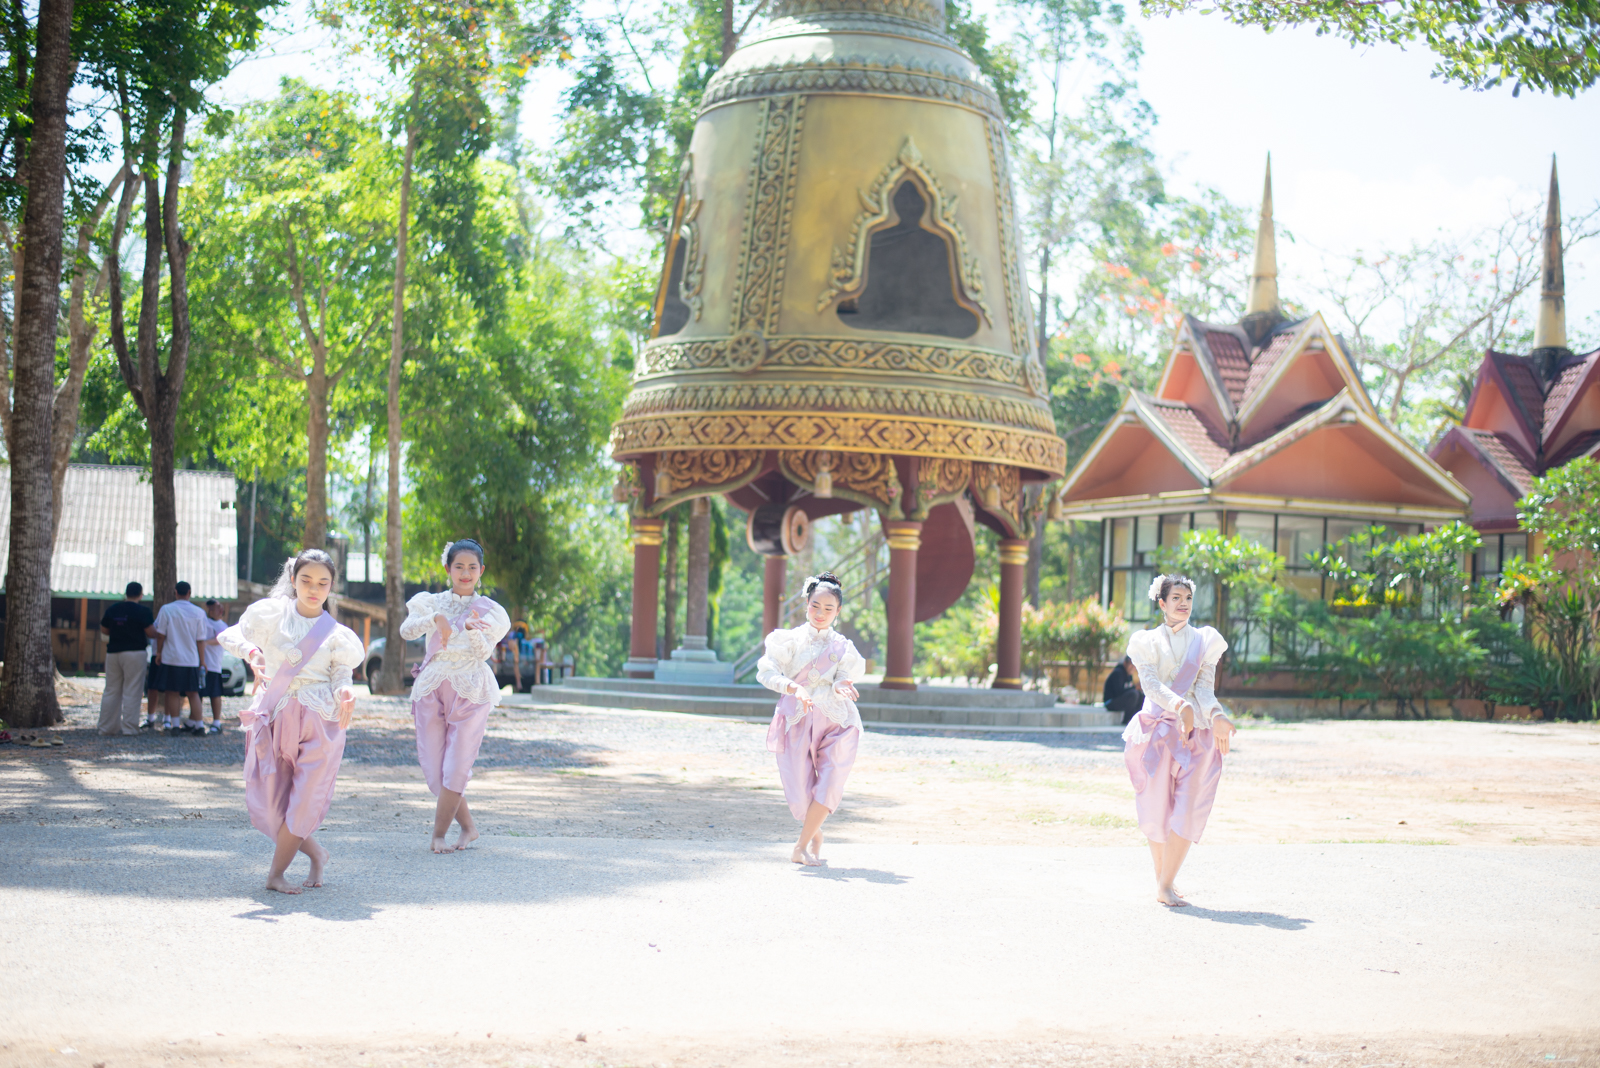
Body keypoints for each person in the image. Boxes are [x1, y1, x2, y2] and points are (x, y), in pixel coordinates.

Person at [219, 549, 365, 894]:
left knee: (304, 800)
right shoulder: (272, 615)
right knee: (273, 807)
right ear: (293, 579)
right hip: (275, 715)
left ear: (331, 586)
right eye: (306, 580)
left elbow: (341, 674)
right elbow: (229, 635)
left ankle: (276, 874)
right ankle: (317, 853)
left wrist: (345, 691)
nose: (314, 589)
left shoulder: (337, 634)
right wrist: (252, 653)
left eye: (323, 583)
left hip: (321, 721)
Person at [1123, 574, 1235, 907]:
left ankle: (1166, 883)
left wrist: (1216, 715)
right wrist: (1179, 705)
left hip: (1196, 735)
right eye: (1176, 598)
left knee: (1189, 806)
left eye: (1187, 598)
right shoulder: (1146, 642)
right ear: (1162, 603)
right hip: (1158, 733)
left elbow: (1204, 690)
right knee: (1156, 808)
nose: (1183, 603)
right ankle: (1164, 883)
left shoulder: (1205, 641)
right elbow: (1150, 685)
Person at [401, 539, 511, 854]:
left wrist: (473, 630)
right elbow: (406, 631)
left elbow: (484, 653)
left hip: (471, 690)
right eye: (459, 566)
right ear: (448, 568)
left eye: (472, 567)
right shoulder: (429, 602)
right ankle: (469, 827)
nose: (465, 573)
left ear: (481, 571)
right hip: (431, 688)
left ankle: (438, 835)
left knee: (456, 766)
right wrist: (434, 619)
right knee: (434, 771)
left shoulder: (492, 611)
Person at [756, 571, 867, 867]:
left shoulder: (844, 647)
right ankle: (815, 833)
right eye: (815, 606)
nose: (821, 613)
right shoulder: (788, 641)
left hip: (837, 720)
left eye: (829, 608)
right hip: (796, 718)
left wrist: (840, 684)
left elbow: (844, 675)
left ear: (838, 612)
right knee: (800, 792)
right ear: (807, 604)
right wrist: (793, 687)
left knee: (830, 783)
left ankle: (800, 847)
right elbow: (766, 672)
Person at [152, 581, 213, 735]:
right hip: (191, 659)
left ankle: (175, 725)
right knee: (193, 693)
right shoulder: (199, 612)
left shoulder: (167, 609)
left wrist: (159, 653)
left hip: (171, 657)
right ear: (189, 593)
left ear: (175, 592)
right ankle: (199, 725)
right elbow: (201, 640)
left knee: (172, 692)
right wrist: (202, 661)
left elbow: (161, 634)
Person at [97, 582, 156, 736]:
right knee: (133, 690)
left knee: (111, 690)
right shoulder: (143, 611)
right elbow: (150, 632)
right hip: (135, 653)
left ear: (126, 593)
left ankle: (107, 728)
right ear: (141, 595)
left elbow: (104, 629)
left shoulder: (113, 609)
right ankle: (129, 728)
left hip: (113, 652)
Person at [199, 600, 230, 733]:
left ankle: (216, 722)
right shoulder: (203, 622)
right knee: (198, 694)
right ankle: (196, 720)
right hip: (201, 664)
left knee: (215, 694)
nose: (211, 611)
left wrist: (206, 642)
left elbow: (220, 639)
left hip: (214, 664)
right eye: (212, 608)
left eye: (218, 608)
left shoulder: (223, 626)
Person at [1103, 655, 1143, 724]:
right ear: (1125, 663)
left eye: (1134, 666)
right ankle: (1127, 720)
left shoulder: (1129, 676)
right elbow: (1119, 692)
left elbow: (1128, 690)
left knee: (1141, 695)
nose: (1133, 668)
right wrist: (1135, 687)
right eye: (1131, 665)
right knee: (1134, 694)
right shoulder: (1118, 673)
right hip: (1110, 702)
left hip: (1118, 700)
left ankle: (1135, 720)